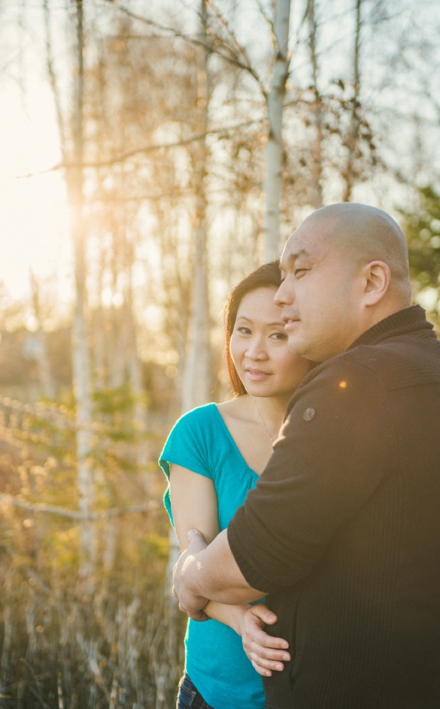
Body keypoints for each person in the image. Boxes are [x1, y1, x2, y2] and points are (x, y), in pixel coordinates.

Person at [170, 203, 440, 708]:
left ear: (371, 283)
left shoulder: (361, 383)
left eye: (300, 272)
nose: (283, 295)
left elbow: (258, 552)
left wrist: (191, 576)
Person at [160, 261, 313, 709]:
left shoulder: (334, 438)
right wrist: (242, 619)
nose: (254, 352)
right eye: (243, 331)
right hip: (219, 689)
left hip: (317, 687)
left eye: (278, 334)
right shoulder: (200, 433)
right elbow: (196, 567)